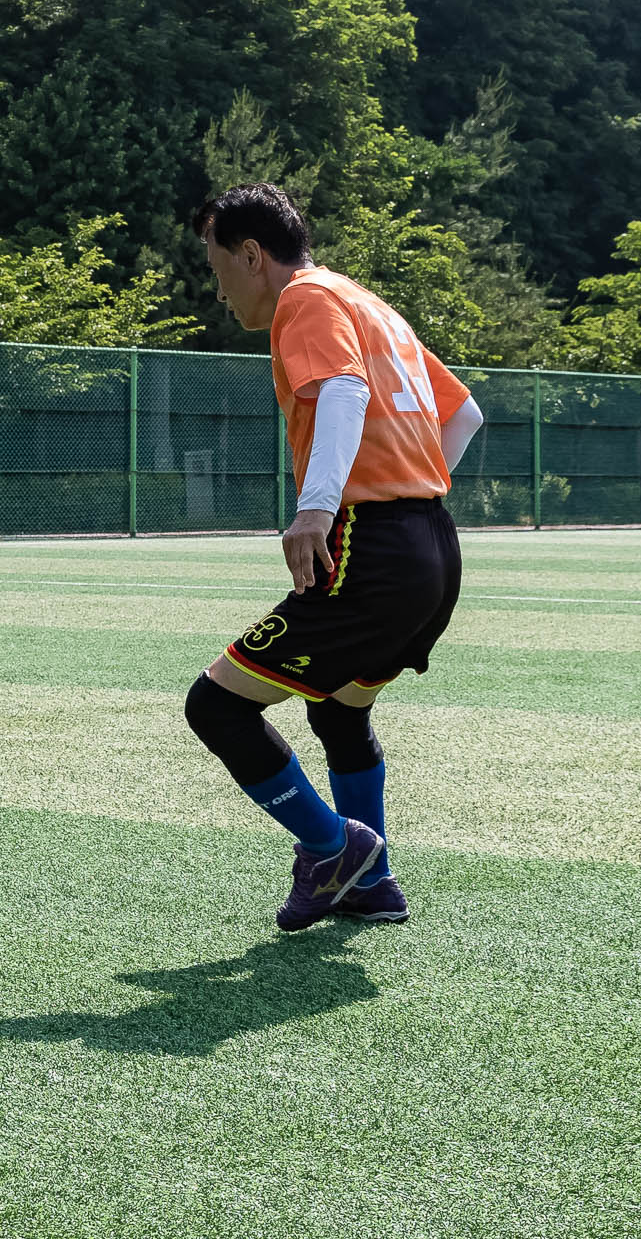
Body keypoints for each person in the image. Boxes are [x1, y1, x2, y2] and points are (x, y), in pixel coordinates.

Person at [181, 184, 483, 929]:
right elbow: (465, 412)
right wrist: (411, 494)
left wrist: (320, 508)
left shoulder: (305, 301)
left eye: (217, 266)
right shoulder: (368, 303)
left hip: (371, 550)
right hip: (433, 548)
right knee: (340, 707)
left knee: (216, 705)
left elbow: (343, 390)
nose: (218, 288)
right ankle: (371, 884)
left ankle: (333, 847)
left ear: (253, 254)